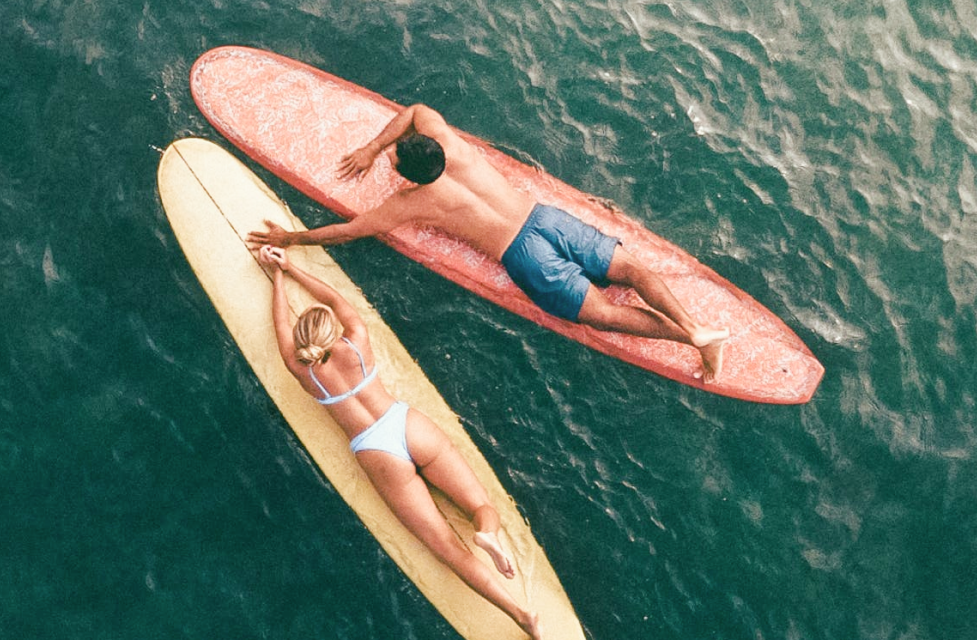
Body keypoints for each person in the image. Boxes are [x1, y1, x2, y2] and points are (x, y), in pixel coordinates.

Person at [247, 103, 731, 382]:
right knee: (629, 270)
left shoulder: (409, 204)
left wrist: (289, 237)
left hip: (526, 256)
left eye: (392, 158)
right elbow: (415, 110)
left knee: (604, 315)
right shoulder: (450, 145)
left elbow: (348, 232)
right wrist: (377, 147)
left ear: (406, 175)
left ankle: (692, 338)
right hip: (548, 220)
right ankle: (695, 323)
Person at [256, 245, 542, 639]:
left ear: (306, 346)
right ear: (332, 332)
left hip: (377, 452)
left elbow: (283, 332)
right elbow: (335, 299)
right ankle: (487, 533)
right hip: (406, 424)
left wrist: (276, 282)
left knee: (445, 546)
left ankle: (521, 616)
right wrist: (290, 267)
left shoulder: (304, 372)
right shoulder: (356, 341)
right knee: (479, 505)